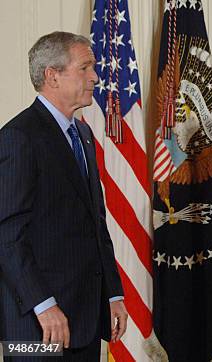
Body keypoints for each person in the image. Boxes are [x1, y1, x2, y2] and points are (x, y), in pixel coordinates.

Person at [0, 31, 127, 360]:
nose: (96, 77)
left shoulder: (82, 134)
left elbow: (96, 224)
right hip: (37, 323)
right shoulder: (19, 137)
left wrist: (112, 294)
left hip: (85, 318)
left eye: (94, 67)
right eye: (85, 67)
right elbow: (7, 235)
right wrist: (43, 304)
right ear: (52, 76)